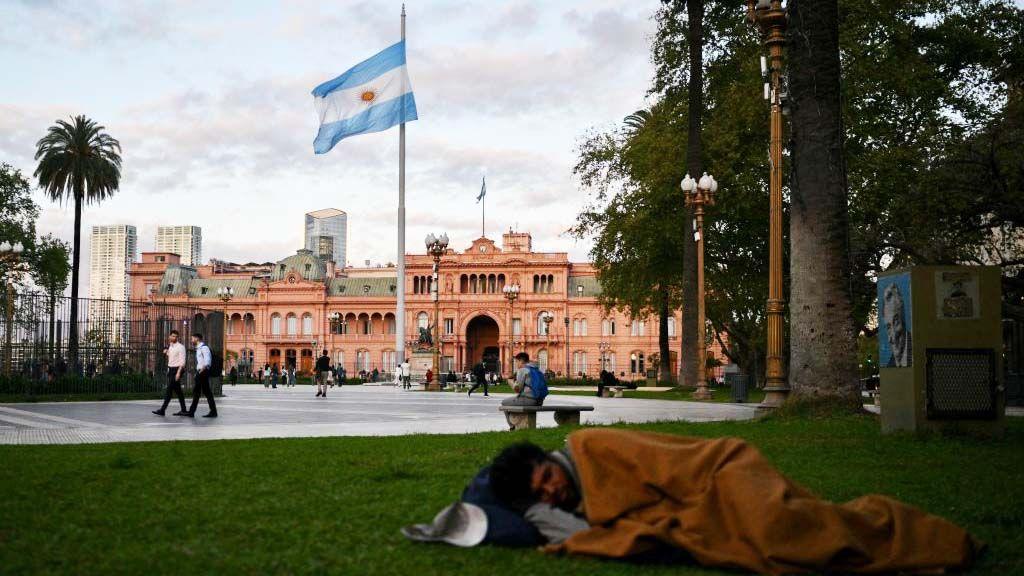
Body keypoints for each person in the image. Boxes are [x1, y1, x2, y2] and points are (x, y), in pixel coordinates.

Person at [482, 429, 980, 574]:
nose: (551, 491)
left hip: (724, 470)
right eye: (539, 494)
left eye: (545, 477)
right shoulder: (566, 497)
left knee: (779, 527)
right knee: (757, 544)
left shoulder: (590, 446)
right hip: (700, 503)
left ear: (550, 460)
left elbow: (671, 466)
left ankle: (895, 529)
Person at [153, 329, 187, 416]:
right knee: (178, 391)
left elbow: (182, 362)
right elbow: (172, 357)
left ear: (178, 337)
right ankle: (184, 410)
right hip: (171, 370)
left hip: (177, 370)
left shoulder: (181, 347)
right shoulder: (170, 346)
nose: (174, 337)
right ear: (169, 336)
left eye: (176, 336)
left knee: (169, 390)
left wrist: (178, 373)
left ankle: (162, 410)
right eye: (172, 336)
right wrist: (166, 352)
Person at [183, 332, 217, 418]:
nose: (191, 340)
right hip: (201, 372)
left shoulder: (204, 348)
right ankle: (212, 411)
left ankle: (192, 412)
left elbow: (207, 362)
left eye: (192, 338)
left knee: (198, 392)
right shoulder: (199, 348)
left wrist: (200, 372)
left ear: (197, 339)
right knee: (205, 392)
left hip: (203, 372)